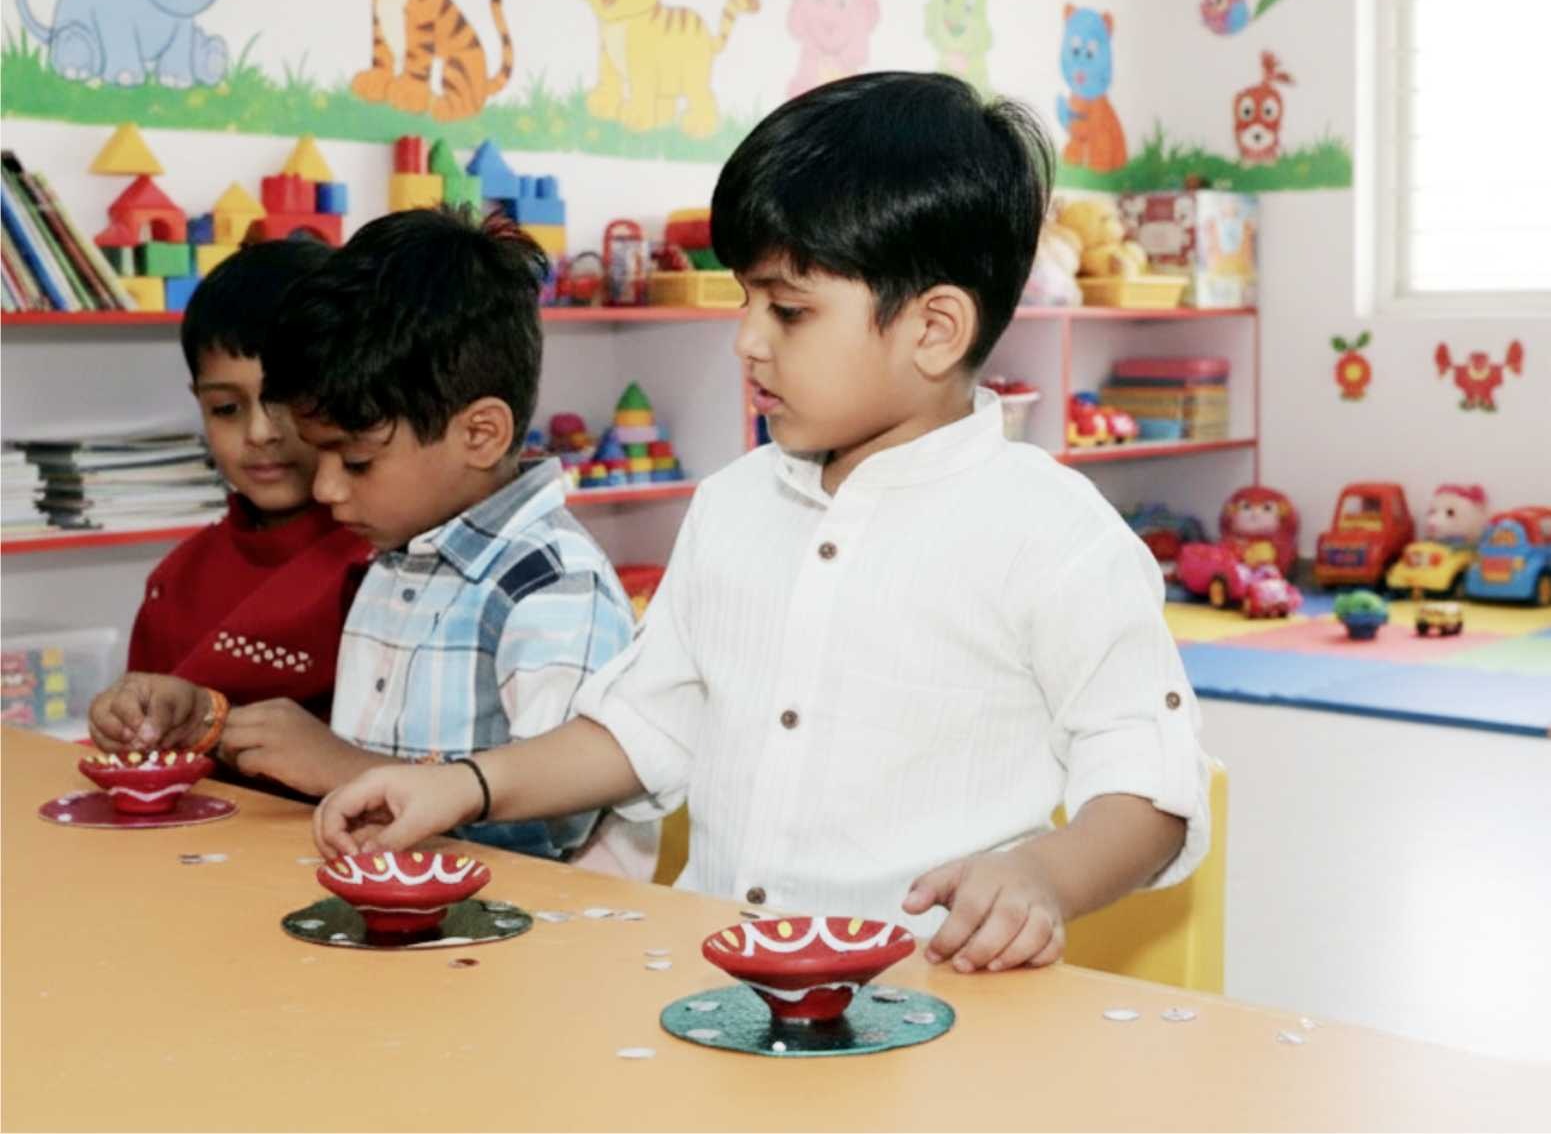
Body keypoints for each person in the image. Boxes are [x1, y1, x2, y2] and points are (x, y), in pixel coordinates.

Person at [313, 73, 1211, 971]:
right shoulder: (733, 504)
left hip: (930, 1001)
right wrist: (463, 786)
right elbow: (642, 729)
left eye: (787, 310)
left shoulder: (1055, 536)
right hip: (717, 987)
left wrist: (1044, 876)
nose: (746, 339)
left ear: (934, 329)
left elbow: (1150, 787)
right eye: (744, 301)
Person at [234, 207, 635, 859]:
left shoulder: (554, 589)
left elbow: (562, 823)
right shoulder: (400, 551)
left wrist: (342, 768)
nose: (326, 489)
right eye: (318, 455)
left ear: (480, 434)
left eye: (355, 461)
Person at [88, 241, 371, 757]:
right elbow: (145, 760)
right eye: (225, 408)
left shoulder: (385, 561)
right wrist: (124, 721)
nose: (260, 432)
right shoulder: (176, 579)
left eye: (287, 400)